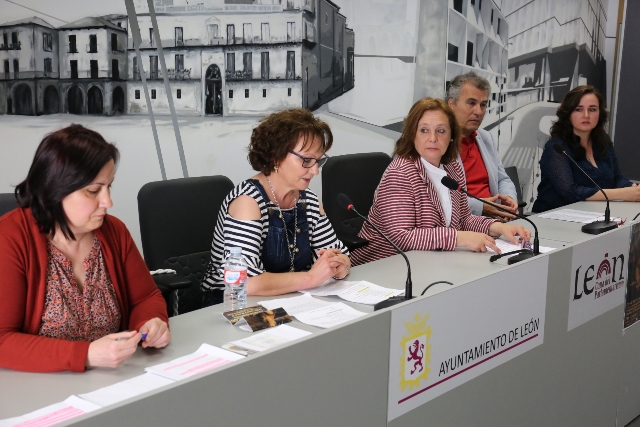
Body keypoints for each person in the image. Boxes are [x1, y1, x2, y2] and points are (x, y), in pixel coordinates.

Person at [0, 125, 170, 373]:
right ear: (56, 188)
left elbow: (146, 298)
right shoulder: (10, 238)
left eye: (109, 186)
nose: (108, 201)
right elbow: (2, 340)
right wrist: (86, 355)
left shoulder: (114, 232)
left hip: (113, 378)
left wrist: (151, 322)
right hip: (38, 385)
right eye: (93, 191)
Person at [350, 98, 530, 266]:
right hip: (386, 264)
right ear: (412, 135)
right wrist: (459, 238)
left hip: (432, 261)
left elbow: (464, 219)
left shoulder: (453, 168)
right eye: (424, 130)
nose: (433, 138)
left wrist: (497, 228)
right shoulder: (400, 173)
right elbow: (400, 237)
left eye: (441, 131)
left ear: (451, 136)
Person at [201, 109, 350, 304]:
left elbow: (339, 254)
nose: (315, 171)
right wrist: (311, 278)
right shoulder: (248, 202)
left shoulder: (309, 201)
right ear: (277, 157)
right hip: (232, 303)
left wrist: (340, 267)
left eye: (318, 161)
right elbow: (246, 283)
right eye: (306, 160)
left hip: (291, 298)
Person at [532, 85, 639, 212]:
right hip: (553, 216)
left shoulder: (603, 141)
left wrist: (633, 188)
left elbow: (616, 178)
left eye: (592, 109)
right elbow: (570, 192)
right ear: (568, 113)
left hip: (594, 213)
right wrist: (622, 194)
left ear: (600, 113)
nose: (586, 115)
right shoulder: (557, 147)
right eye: (578, 109)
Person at [446, 72, 519, 221]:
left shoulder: (486, 137)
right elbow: (440, 197)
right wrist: (481, 207)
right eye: (471, 103)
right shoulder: (438, 142)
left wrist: (509, 199)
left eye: (483, 105)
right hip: (462, 223)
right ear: (451, 104)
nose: (478, 112)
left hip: (495, 219)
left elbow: (502, 179)